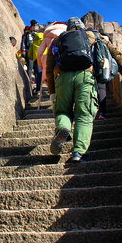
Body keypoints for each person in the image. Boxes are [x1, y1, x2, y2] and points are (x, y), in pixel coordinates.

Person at [45, 17, 99, 162]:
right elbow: (113, 53)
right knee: (84, 114)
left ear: (67, 28)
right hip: (85, 76)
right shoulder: (91, 36)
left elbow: (49, 69)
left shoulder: (57, 41)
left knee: (62, 111)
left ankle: (63, 128)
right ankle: (78, 153)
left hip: (63, 79)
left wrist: (51, 92)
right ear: (81, 26)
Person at [28, 21, 44, 95]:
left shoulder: (34, 39)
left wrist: (31, 57)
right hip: (46, 57)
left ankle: (38, 90)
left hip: (37, 58)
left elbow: (30, 52)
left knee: (38, 74)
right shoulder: (46, 37)